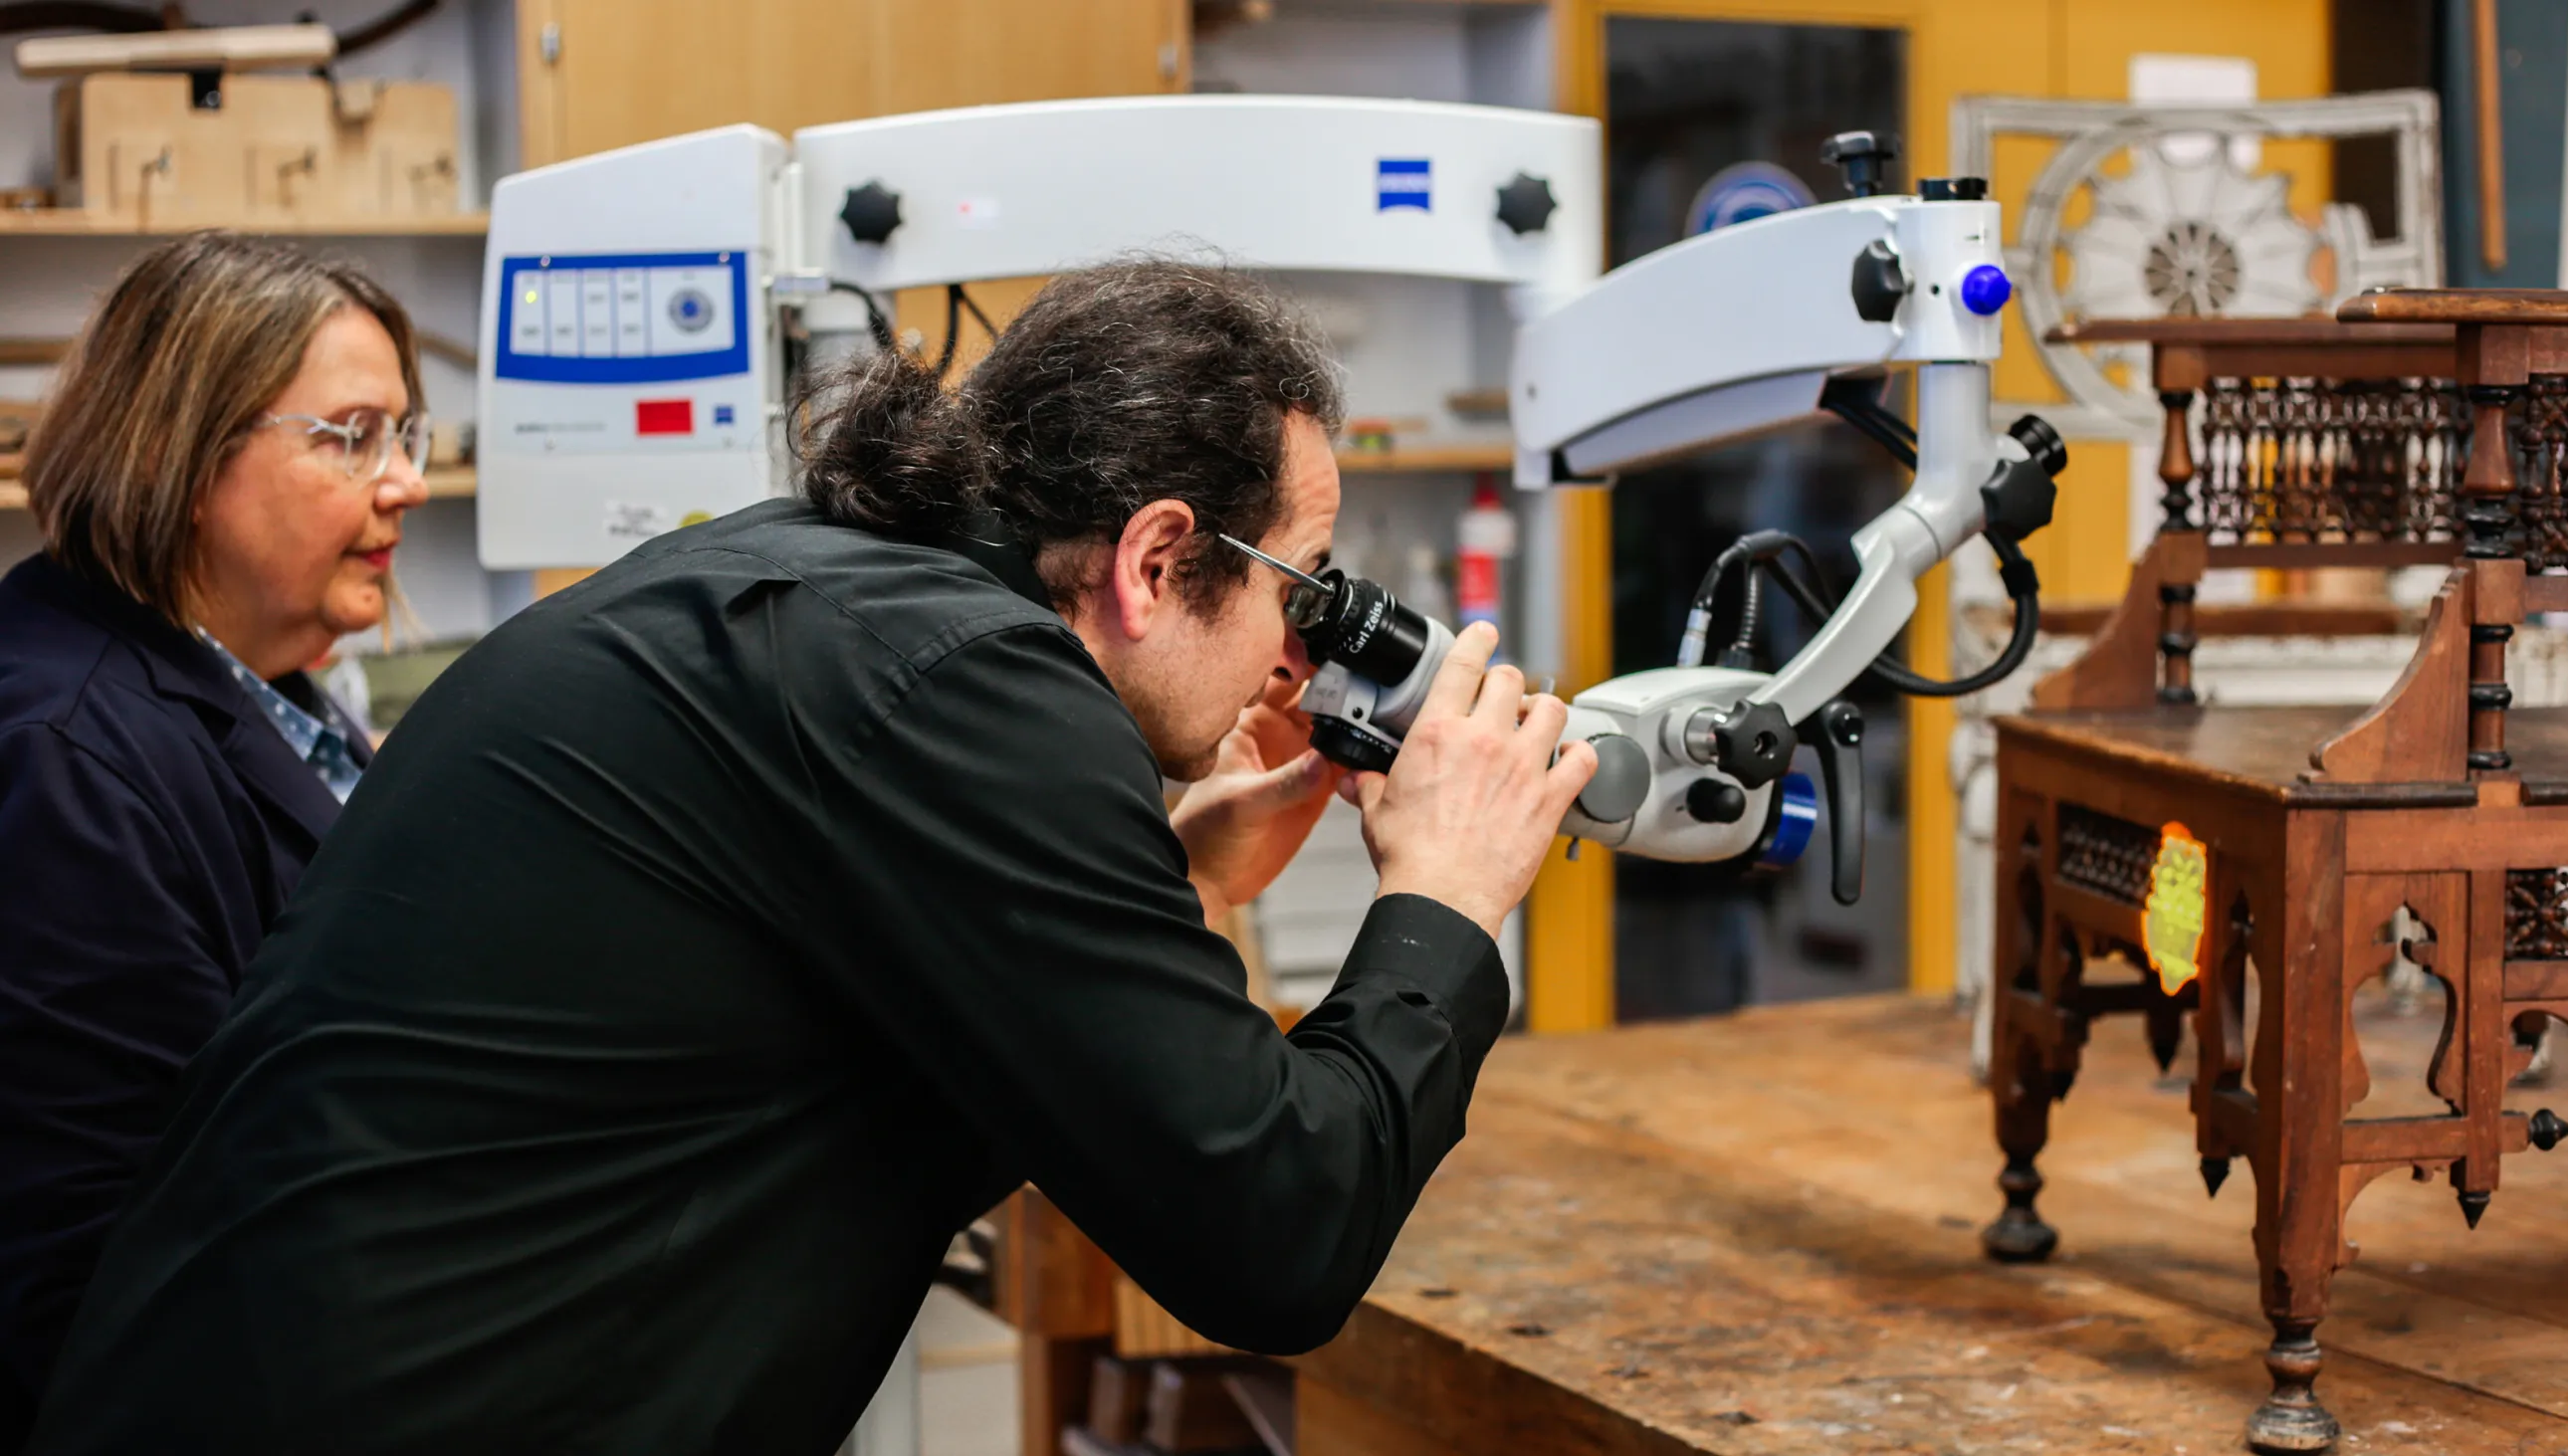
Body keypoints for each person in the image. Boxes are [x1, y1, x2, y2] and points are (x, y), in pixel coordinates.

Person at [29, 261, 1594, 1455]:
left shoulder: (822, 591)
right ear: (1156, 555)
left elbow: (811, 990)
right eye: (1298, 586)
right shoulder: (975, 689)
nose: (1295, 651)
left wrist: (1166, 876)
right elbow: (1278, 1235)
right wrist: (1444, 894)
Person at [0, 232, 431, 1448]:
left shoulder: (271, 675)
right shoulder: (62, 752)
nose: (398, 481)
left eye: (406, 436)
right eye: (353, 436)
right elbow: (94, 1258)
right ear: (185, 452)